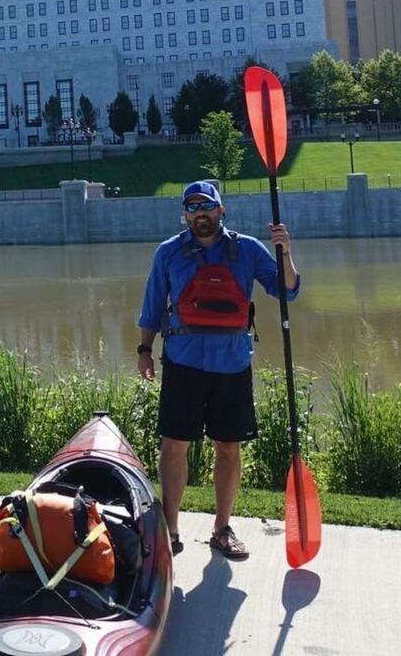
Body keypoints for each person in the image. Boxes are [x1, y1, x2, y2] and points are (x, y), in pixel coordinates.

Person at [135, 180, 299, 560]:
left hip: (232, 363)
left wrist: (286, 252)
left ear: (221, 210)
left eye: (207, 207)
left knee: (228, 446)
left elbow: (287, 290)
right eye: (192, 209)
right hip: (183, 361)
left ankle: (222, 528)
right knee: (174, 445)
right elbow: (152, 308)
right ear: (184, 214)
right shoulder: (168, 253)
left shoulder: (248, 250)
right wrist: (145, 351)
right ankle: (170, 530)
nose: (200, 215)